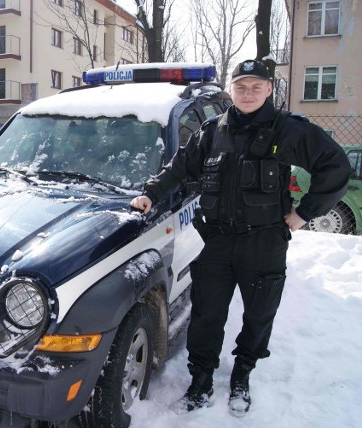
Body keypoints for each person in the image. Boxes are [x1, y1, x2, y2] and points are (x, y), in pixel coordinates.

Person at [130, 60, 350, 416]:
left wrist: (304, 213)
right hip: (217, 241)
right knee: (205, 315)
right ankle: (200, 379)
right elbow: (180, 166)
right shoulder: (212, 130)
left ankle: (242, 375)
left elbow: (335, 166)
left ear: (268, 90)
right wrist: (151, 194)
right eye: (241, 86)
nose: (248, 93)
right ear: (231, 90)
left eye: (256, 87)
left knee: (259, 314)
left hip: (264, 243)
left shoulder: (287, 130)